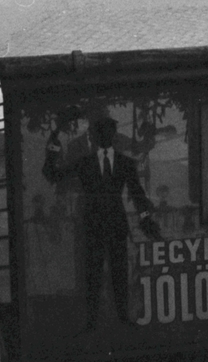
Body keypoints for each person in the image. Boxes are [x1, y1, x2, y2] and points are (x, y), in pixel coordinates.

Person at [42, 114, 161, 333]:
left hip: (113, 224)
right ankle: (92, 322)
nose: (106, 136)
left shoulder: (124, 163)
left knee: (118, 272)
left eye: (109, 132)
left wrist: (145, 218)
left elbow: (137, 194)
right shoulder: (86, 162)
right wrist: (55, 138)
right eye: (102, 132)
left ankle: (121, 318)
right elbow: (53, 174)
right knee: (93, 273)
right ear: (96, 136)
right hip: (95, 223)